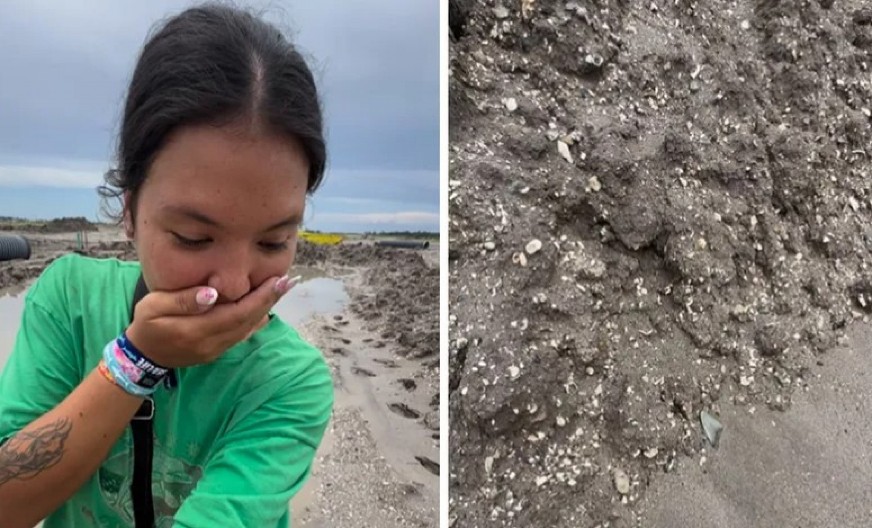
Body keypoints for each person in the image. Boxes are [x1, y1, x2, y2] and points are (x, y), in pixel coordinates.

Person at [0, 3, 333, 527]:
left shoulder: (289, 380)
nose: (233, 285)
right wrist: (135, 363)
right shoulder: (70, 302)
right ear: (130, 211)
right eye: (193, 237)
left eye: (273, 243)